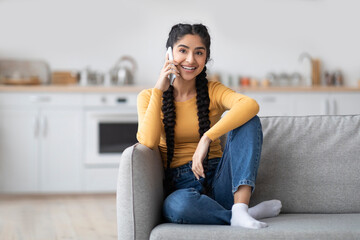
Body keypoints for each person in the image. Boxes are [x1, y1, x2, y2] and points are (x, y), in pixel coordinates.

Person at [136, 23, 281, 229]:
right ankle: (241, 215)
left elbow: (251, 105)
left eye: (199, 53)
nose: (190, 60)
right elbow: (148, 141)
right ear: (169, 54)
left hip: (221, 179)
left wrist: (207, 138)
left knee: (249, 120)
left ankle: (240, 208)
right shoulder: (149, 97)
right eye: (183, 51)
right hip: (182, 187)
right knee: (175, 207)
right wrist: (160, 88)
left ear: (206, 58)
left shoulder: (213, 90)